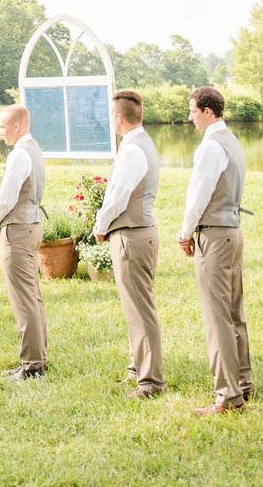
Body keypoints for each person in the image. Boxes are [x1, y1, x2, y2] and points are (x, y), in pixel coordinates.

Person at [178, 87, 252, 415]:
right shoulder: (232, 142)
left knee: (216, 317)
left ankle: (227, 395)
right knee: (234, 313)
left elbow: (199, 195)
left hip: (215, 235)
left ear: (208, 111)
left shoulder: (210, 147)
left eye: (193, 111)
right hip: (233, 232)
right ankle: (243, 383)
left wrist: (184, 232)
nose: (190, 117)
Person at [93, 91, 166, 399]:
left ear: (119, 118)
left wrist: (100, 226)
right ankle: (138, 366)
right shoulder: (141, 143)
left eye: (112, 115)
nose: (111, 120)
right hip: (138, 231)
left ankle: (150, 381)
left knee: (140, 308)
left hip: (132, 234)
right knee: (134, 305)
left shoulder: (133, 150)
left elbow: (117, 196)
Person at [0, 105, 47, 381]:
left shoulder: (20, 154)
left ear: (16, 126)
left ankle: (32, 365)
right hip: (32, 224)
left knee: (24, 300)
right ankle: (38, 357)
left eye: (2, 126)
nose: (0, 132)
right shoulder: (34, 149)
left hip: (19, 229)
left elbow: (7, 196)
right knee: (33, 296)